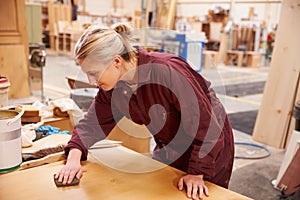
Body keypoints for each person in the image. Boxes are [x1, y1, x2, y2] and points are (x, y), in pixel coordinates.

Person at [55, 23, 234, 200]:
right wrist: (73, 158)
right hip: (171, 147)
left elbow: (207, 125)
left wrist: (197, 172)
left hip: (209, 147)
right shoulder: (114, 89)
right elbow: (93, 124)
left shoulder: (167, 71)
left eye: (94, 73)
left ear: (116, 61)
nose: (91, 81)